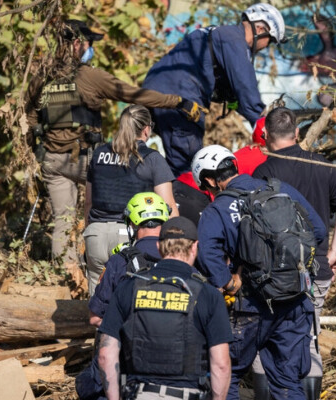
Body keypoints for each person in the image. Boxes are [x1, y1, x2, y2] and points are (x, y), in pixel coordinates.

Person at [25, 19, 200, 288]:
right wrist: (176, 101)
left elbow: (31, 115)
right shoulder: (89, 76)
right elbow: (134, 95)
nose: (90, 48)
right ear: (75, 44)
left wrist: (37, 147)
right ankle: (125, 259)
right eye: (88, 43)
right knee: (120, 198)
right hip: (85, 159)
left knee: (62, 220)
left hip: (52, 160)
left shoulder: (42, 76)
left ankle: (65, 278)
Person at [192, 145, 327, 400]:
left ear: (210, 180)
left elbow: (207, 253)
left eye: (205, 186)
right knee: (287, 382)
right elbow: (318, 231)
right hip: (295, 299)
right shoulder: (281, 190)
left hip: (251, 305)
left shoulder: (218, 208)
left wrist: (228, 284)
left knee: (227, 377)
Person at [252, 107, 336, 400]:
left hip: (274, 274)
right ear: (297, 133)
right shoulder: (321, 165)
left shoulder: (264, 172)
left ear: (266, 136)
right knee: (309, 339)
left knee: (267, 340)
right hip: (315, 270)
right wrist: (335, 252)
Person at [141, 4, 287, 176]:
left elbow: (231, 88)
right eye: (270, 40)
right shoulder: (234, 40)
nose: (266, 46)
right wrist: (266, 126)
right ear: (261, 28)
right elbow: (246, 87)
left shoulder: (218, 33)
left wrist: (234, 100)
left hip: (152, 91)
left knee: (141, 149)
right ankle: (179, 201)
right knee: (187, 166)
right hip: (180, 99)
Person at [98, 217, 233, 400]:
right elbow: (221, 365)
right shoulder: (208, 295)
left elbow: (106, 354)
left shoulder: (128, 288)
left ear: (159, 247)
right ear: (194, 247)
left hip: (138, 393)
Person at [76, 192, 169, 400]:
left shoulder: (120, 261)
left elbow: (95, 317)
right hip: (174, 362)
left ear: (132, 224)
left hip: (129, 359)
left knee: (87, 384)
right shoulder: (181, 259)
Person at [84, 105, 180, 295]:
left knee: (97, 301)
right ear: (146, 129)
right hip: (129, 235)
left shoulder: (98, 154)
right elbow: (169, 208)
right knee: (130, 297)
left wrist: (88, 230)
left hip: (95, 234)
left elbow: (88, 202)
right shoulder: (152, 159)